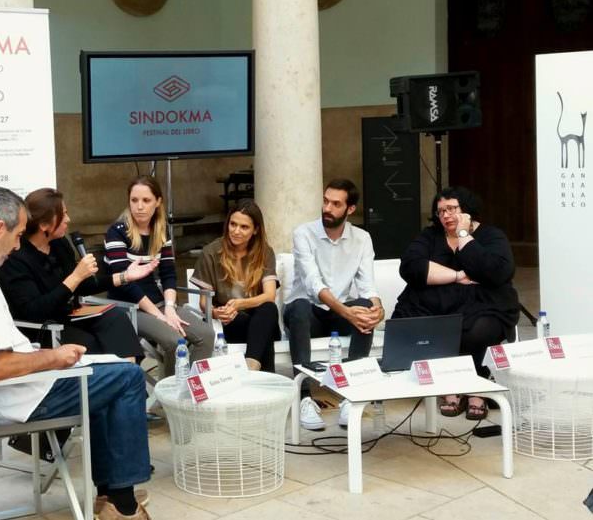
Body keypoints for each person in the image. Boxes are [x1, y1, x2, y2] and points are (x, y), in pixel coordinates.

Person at [0, 187, 151, 520]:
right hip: (8, 397)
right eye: (15, 235)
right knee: (127, 377)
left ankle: (113, 495)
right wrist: (53, 358)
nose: (17, 245)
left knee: (108, 374)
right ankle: (122, 506)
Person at [392, 186, 519, 421]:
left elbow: (496, 272)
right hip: (436, 304)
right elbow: (411, 267)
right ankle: (449, 384)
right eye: (441, 211)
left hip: (483, 304)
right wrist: (458, 275)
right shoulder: (430, 236)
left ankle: (476, 386)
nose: (446, 216)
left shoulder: (491, 235)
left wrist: (463, 236)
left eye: (452, 209)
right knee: (423, 324)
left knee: (479, 328)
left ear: (467, 211)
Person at [0, 187, 157, 358]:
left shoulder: (59, 243)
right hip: (45, 328)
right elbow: (34, 311)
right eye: (63, 214)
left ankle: (129, 374)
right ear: (44, 225)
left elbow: (82, 286)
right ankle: (114, 378)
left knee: (116, 318)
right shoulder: (16, 257)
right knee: (90, 343)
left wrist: (125, 276)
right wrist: (76, 276)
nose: (68, 219)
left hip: (71, 314)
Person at [284, 178, 384, 430]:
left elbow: (368, 285)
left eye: (335, 204)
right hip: (307, 316)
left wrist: (377, 307)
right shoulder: (303, 233)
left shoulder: (362, 239)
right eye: (326, 201)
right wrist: (347, 312)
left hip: (339, 315)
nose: (327, 208)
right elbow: (313, 285)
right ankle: (305, 396)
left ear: (350, 209)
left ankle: (351, 395)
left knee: (365, 307)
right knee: (299, 307)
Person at [104, 175, 214, 377]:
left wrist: (170, 308)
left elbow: (168, 274)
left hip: (157, 303)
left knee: (206, 335)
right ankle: (170, 399)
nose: (139, 206)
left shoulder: (161, 232)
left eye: (146, 201)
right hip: (127, 307)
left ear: (158, 202)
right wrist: (159, 315)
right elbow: (125, 283)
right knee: (174, 341)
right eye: (134, 200)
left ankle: (194, 390)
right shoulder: (117, 232)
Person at [191, 200, 280, 371]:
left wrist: (240, 304)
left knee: (268, 309)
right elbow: (204, 303)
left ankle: (250, 367)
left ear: (255, 230)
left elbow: (270, 296)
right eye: (233, 224)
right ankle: (258, 374)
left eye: (244, 227)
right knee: (261, 331)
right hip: (231, 323)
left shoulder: (265, 252)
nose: (236, 231)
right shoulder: (211, 252)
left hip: (261, 319)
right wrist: (216, 312)